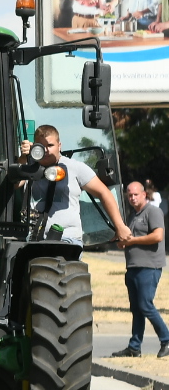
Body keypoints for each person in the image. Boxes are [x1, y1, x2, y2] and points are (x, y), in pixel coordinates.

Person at [18, 125, 130, 248]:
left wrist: (120, 226)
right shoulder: (28, 166)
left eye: (50, 145)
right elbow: (15, 185)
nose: (46, 150)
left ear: (59, 145)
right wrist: (24, 158)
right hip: (32, 238)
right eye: (41, 146)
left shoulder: (75, 167)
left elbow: (104, 193)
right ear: (34, 146)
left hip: (67, 239)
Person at [112, 181, 169, 358]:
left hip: (149, 267)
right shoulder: (133, 215)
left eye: (136, 194)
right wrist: (123, 243)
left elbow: (158, 236)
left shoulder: (153, 211)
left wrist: (132, 241)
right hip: (133, 267)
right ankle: (134, 347)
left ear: (144, 194)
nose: (132, 198)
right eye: (129, 195)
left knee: (145, 305)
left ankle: (166, 340)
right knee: (136, 309)